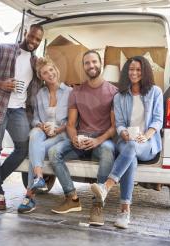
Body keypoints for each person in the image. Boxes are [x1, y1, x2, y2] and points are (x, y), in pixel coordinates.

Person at [90, 56, 163, 229]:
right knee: (131, 157)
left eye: (138, 69)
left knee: (132, 149)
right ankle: (124, 212)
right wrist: (123, 133)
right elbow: (120, 123)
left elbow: (158, 120)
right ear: (126, 72)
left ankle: (106, 186)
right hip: (127, 141)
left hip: (147, 143)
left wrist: (146, 135)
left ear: (144, 71)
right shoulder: (120, 96)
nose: (134, 73)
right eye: (131, 69)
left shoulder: (155, 92)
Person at [0, 24, 44, 210]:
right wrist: (1, 84)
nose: (33, 41)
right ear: (25, 33)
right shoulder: (3, 49)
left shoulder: (35, 62)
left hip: (19, 110)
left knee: (23, 148)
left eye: (38, 39)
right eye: (31, 36)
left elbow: (41, 83)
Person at [48, 50, 118, 226]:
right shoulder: (76, 92)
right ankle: (71, 198)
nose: (91, 65)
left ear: (100, 63)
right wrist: (74, 139)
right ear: (84, 66)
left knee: (109, 151)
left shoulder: (113, 92)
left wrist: (98, 140)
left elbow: (114, 127)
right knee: (54, 151)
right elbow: (71, 124)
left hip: (101, 140)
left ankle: (97, 204)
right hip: (81, 138)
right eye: (87, 63)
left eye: (94, 62)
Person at [17, 57, 72, 213]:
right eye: (45, 73)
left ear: (56, 70)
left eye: (51, 70)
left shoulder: (70, 92)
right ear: (41, 77)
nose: (50, 74)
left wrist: (57, 130)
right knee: (34, 133)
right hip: (44, 132)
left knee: (35, 150)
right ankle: (39, 178)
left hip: (62, 134)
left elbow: (73, 122)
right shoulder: (40, 94)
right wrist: (41, 126)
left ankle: (30, 196)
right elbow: (35, 119)